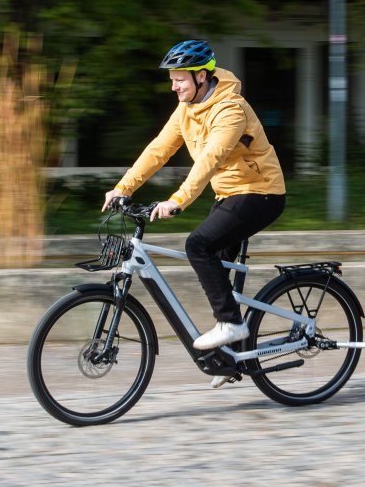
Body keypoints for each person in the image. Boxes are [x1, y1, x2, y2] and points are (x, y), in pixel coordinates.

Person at [102, 40, 286, 386]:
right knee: (216, 268)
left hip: (260, 194)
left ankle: (231, 325)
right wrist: (123, 188)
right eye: (171, 79)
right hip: (229, 195)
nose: (173, 86)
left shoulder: (231, 109)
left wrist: (178, 200)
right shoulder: (186, 108)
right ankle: (232, 358)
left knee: (198, 245)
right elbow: (159, 149)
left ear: (202, 77)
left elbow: (210, 158)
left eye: (180, 80)